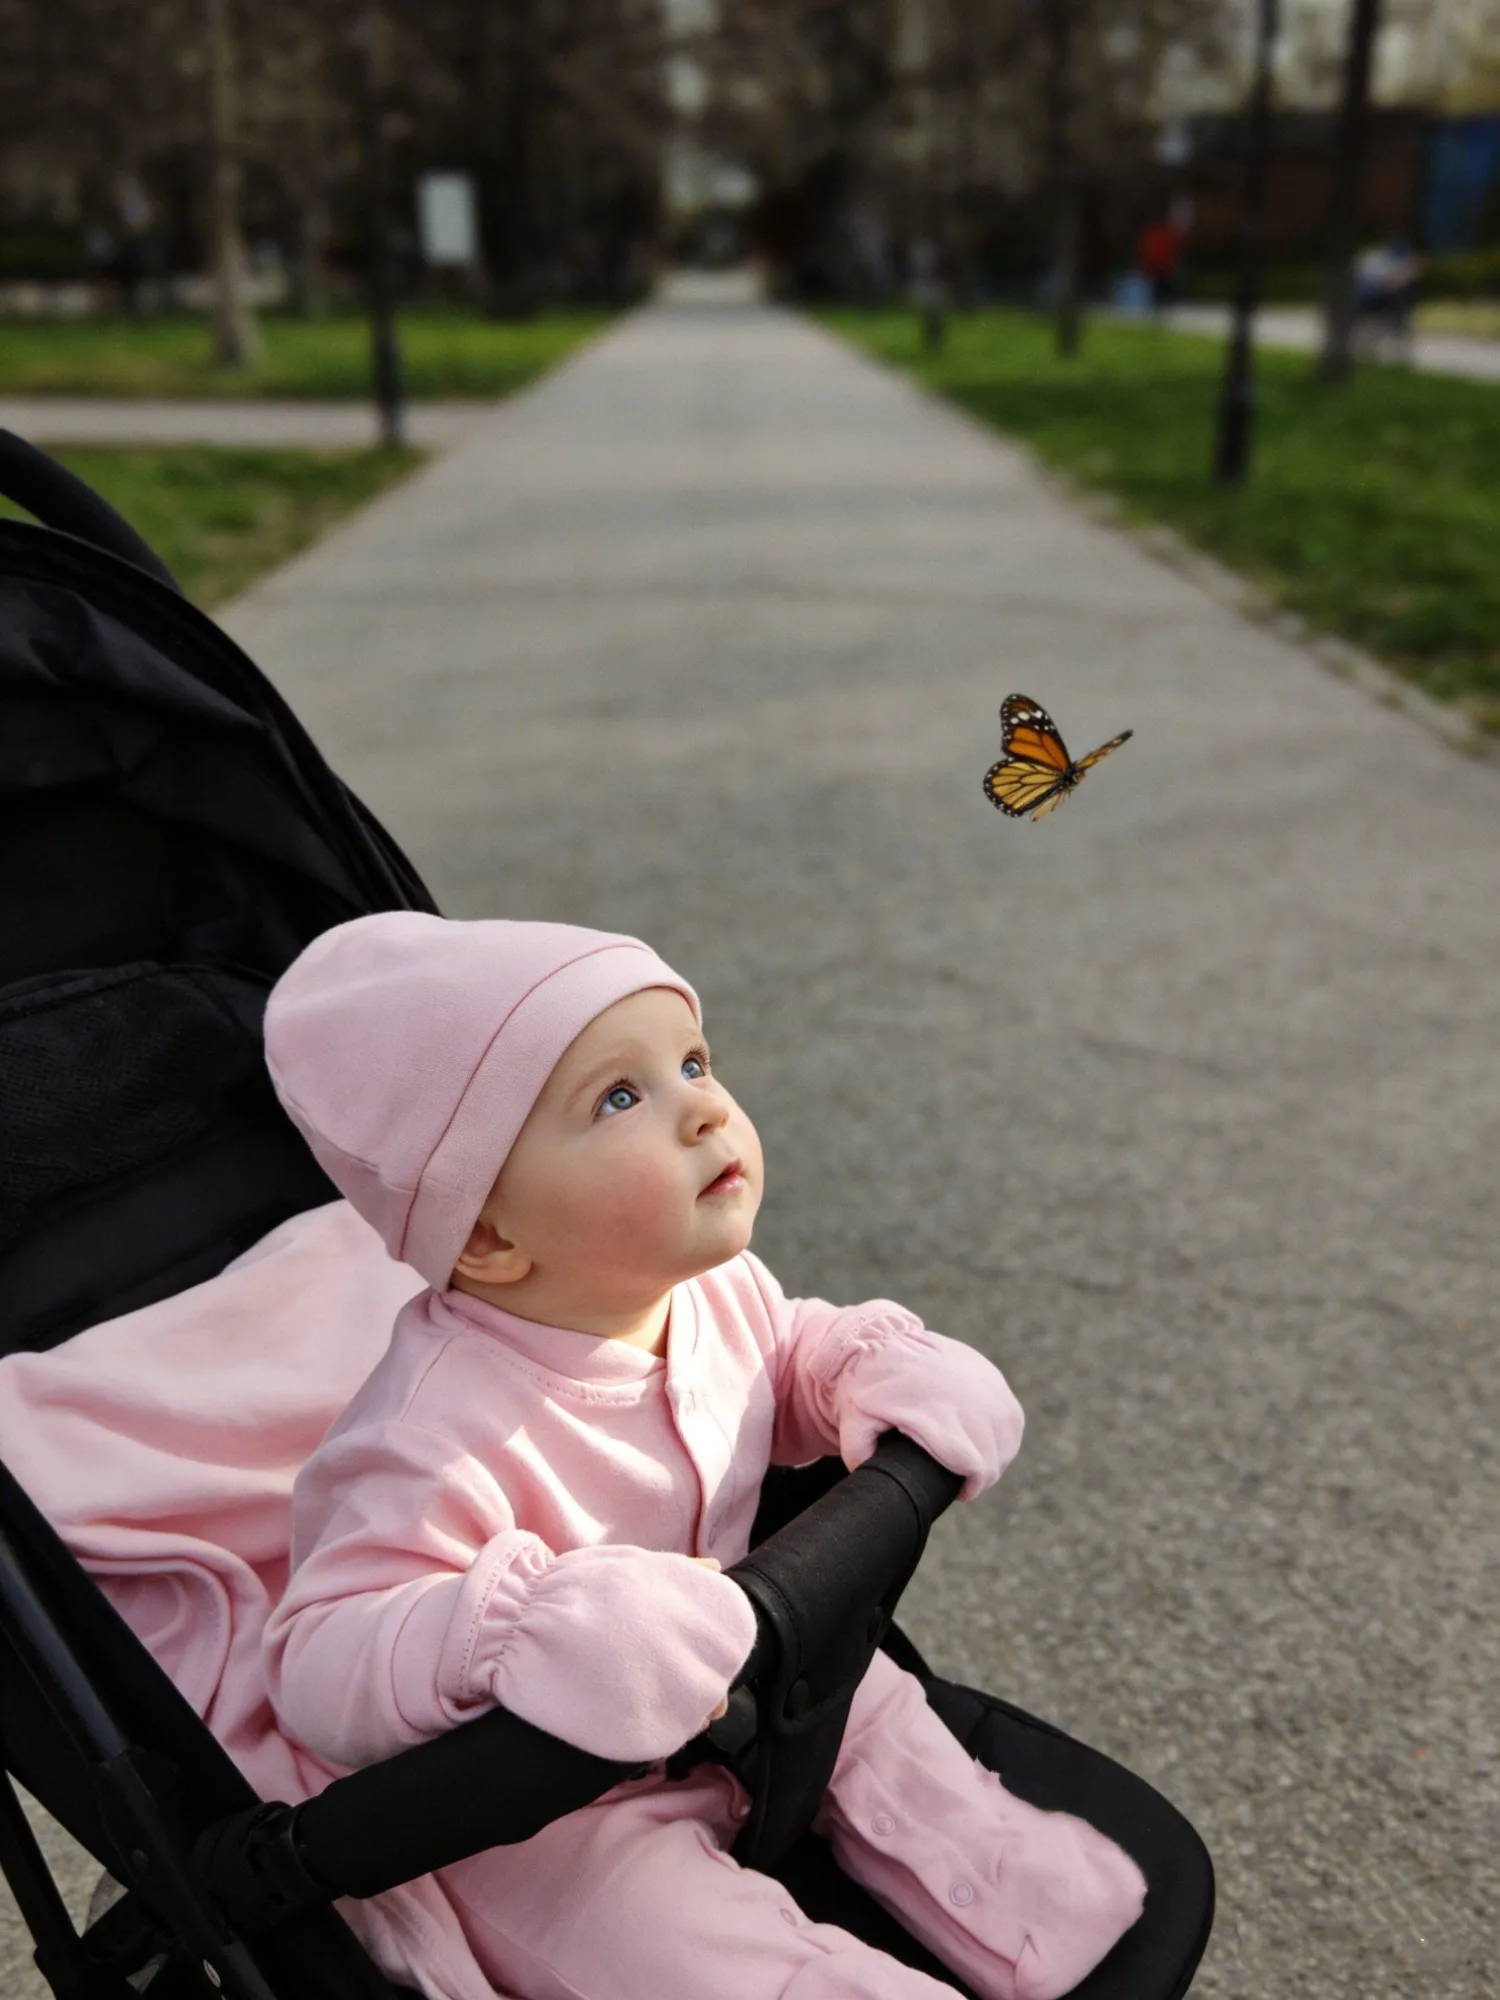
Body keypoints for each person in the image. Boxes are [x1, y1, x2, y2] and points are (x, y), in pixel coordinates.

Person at [261, 914, 1147, 2000]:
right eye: (621, 1097)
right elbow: (314, 1657)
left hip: (750, 1682)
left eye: (693, 1062)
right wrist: (511, 1626)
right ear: (489, 1235)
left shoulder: (706, 1290)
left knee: (877, 1715)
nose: (703, 1107)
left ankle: (1028, 1907)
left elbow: (788, 1358)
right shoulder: (432, 1435)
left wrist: (868, 1370)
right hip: (545, 1808)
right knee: (662, 1944)